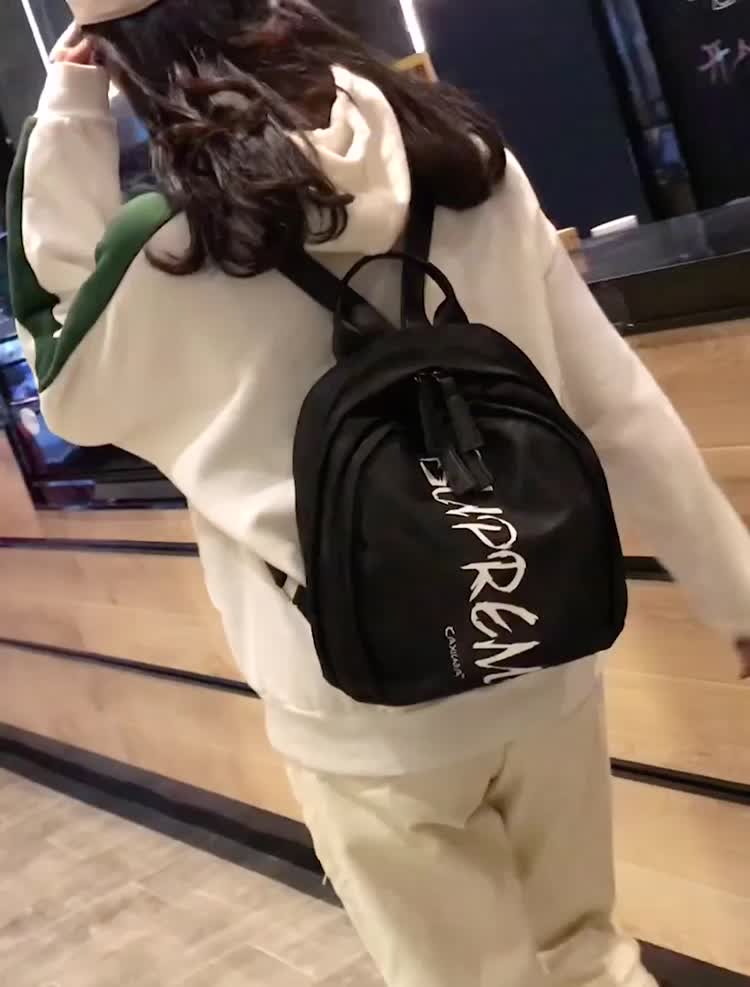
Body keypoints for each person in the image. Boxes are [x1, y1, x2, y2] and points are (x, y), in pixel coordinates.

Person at [8, 2, 750, 984]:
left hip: (356, 706)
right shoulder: (467, 166)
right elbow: (617, 407)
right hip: (537, 635)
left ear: (121, 62)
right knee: (591, 953)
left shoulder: (168, 253)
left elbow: (62, 375)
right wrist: (736, 594)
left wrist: (71, 112)